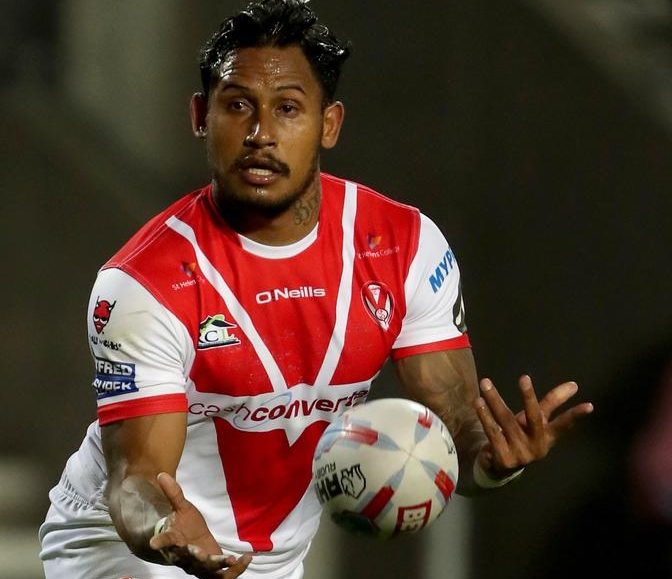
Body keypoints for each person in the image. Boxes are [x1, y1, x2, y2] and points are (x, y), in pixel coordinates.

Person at [38, 1, 594, 578]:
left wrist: (497, 462)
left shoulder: (403, 248)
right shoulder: (144, 285)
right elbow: (134, 481)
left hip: (272, 560)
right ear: (201, 115)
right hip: (126, 548)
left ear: (329, 124)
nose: (260, 135)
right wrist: (162, 528)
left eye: (287, 108)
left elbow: (457, 427)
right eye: (237, 106)